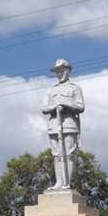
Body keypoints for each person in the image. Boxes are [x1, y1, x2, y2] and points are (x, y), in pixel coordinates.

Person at [42, 59, 85, 190]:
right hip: (54, 125)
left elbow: (80, 106)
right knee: (57, 155)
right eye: (57, 71)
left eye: (62, 70)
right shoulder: (51, 90)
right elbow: (44, 108)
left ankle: (67, 183)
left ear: (68, 71)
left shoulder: (75, 88)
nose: (60, 73)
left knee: (69, 154)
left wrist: (66, 104)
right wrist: (54, 107)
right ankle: (59, 182)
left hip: (69, 124)